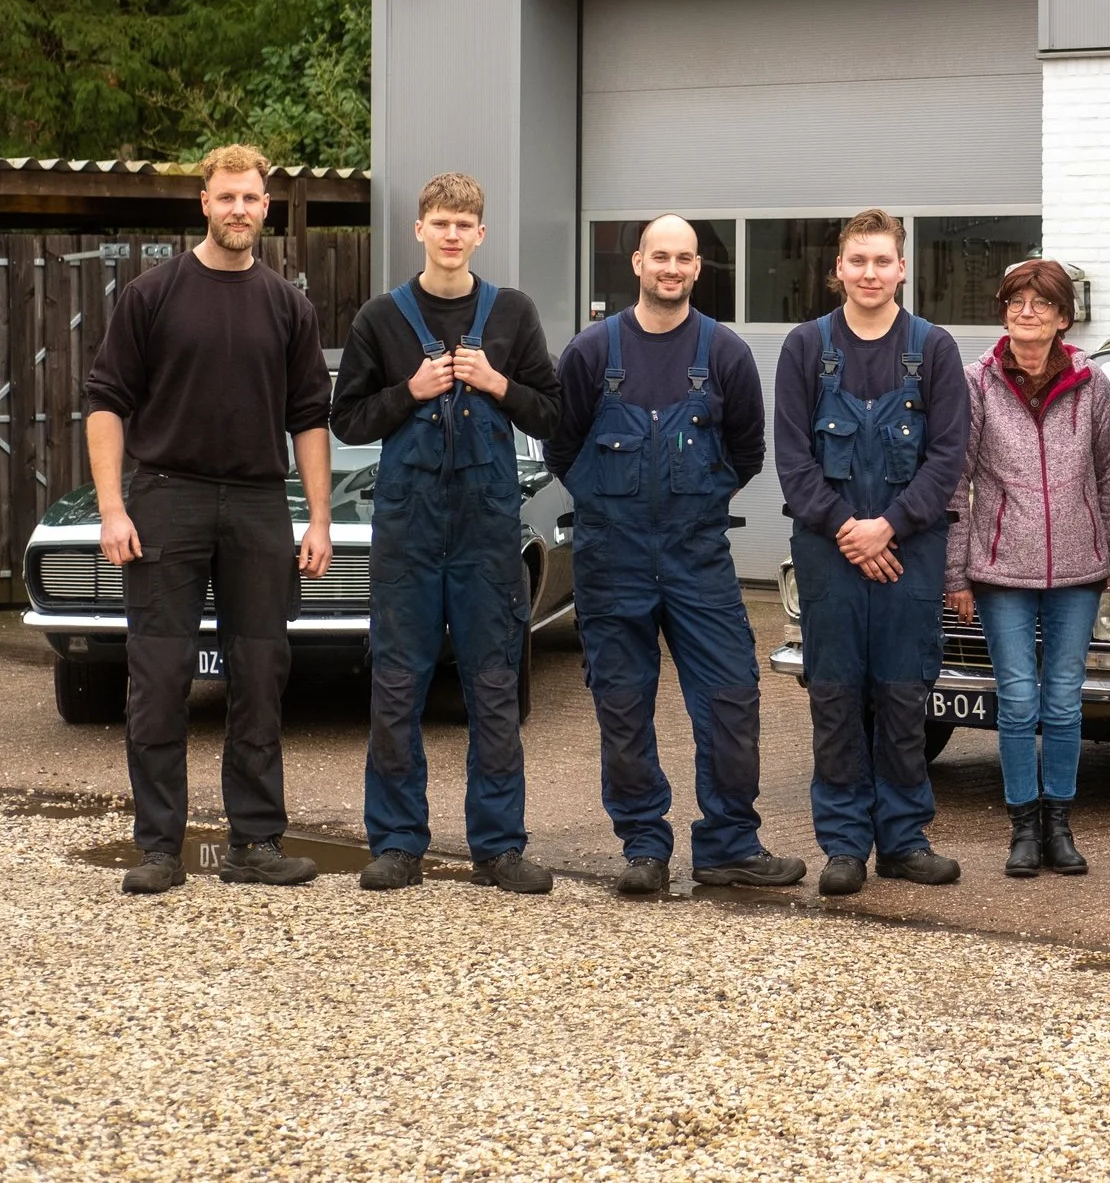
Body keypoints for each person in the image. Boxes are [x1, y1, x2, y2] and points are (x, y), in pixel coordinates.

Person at [84, 144, 335, 896]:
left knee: (260, 675)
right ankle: (159, 847)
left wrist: (318, 516)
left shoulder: (287, 304)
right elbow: (105, 402)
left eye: (251, 199)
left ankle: (255, 843)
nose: (238, 210)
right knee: (157, 678)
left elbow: (309, 418)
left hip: (259, 503)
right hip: (168, 497)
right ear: (203, 202)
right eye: (226, 197)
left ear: (266, 207)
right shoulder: (152, 295)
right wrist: (111, 507)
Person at [544, 215, 805, 896]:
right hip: (612, 561)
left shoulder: (724, 353)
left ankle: (728, 845)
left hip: (698, 558)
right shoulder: (591, 352)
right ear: (637, 262)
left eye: (684, 258)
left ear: (696, 269)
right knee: (623, 706)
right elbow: (561, 447)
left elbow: (746, 450)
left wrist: (694, 498)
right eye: (660, 255)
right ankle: (644, 847)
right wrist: (611, 499)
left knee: (729, 698)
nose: (672, 267)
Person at [331, 173, 563, 895]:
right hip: (409, 529)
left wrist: (496, 384)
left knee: (494, 683)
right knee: (398, 683)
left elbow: (551, 414)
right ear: (420, 230)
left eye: (465, 223)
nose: (453, 234)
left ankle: (499, 846)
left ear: (481, 234)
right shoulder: (381, 318)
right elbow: (347, 420)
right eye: (441, 221)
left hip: (487, 529)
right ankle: (399, 842)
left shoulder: (513, 314)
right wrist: (410, 393)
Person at [774, 209, 971, 896]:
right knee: (834, 696)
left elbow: (948, 457)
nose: (868, 272)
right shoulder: (805, 347)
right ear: (838, 268)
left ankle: (906, 840)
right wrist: (848, 531)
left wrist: (887, 526)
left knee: (903, 694)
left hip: (908, 550)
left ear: (901, 268)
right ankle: (845, 845)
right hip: (829, 551)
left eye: (881, 260)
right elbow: (793, 460)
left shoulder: (933, 349)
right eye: (857, 260)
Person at [944, 261, 1110, 879]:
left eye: (1040, 303)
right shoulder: (976, 383)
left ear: (1061, 317)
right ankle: (1022, 828)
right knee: (1018, 701)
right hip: (1001, 573)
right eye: (1016, 301)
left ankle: (1061, 826)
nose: (1027, 312)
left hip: (1079, 570)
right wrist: (957, 574)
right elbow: (956, 482)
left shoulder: (1093, 386)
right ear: (1003, 311)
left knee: (1064, 701)